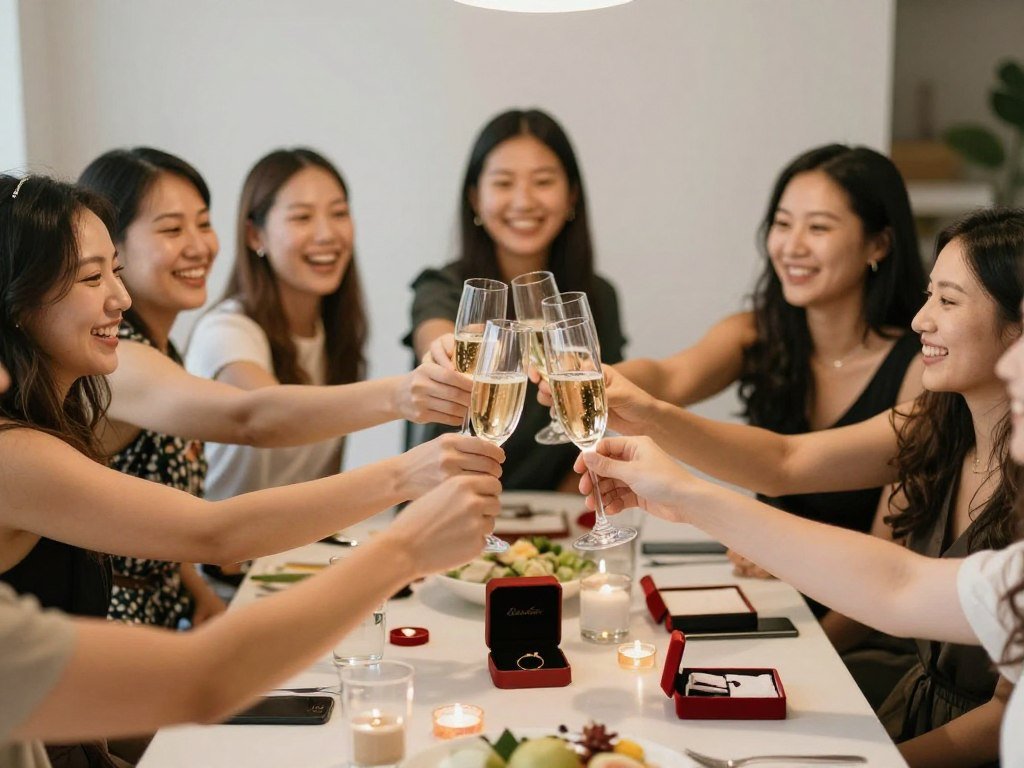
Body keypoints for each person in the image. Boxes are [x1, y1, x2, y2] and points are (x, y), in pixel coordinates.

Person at [0, 174, 503, 766]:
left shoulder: (59, 412)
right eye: (91, 277)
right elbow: (220, 517)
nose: (121, 298)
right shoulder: (17, 452)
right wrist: (405, 498)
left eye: (115, 270)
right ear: (16, 301)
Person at [574, 208, 1023, 766]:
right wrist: (651, 417)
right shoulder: (942, 420)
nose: (920, 321)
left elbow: (1000, 712)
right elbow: (787, 461)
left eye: (949, 302)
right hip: (914, 713)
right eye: (929, 295)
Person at [77, 149, 470, 626]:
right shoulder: (115, 362)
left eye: (203, 223)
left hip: (187, 605)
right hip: (115, 626)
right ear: (111, 248)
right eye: (171, 229)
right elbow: (250, 417)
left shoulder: (160, 351)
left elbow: (153, 502)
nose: (200, 246)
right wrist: (403, 400)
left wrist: (193, 588)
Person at [407, 108, 626, 492]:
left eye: (543, 181)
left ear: (571, 194)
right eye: (504, 183)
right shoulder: (444, 286)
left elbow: (600, 419)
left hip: (550, 525)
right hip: (443, 508)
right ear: (475, 198)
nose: (523, 201)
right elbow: (435, 335)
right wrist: (445, 350)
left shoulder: (597, 298)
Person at [186, 148, 376, 502]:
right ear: (255, 235)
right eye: (302, 217)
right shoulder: (227, 331)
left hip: (291, 552)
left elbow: (318, 492)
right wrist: (403, 394)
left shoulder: (335, 331)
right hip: (217, 554)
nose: (326, 234)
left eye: (339, 213)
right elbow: (273, 417)